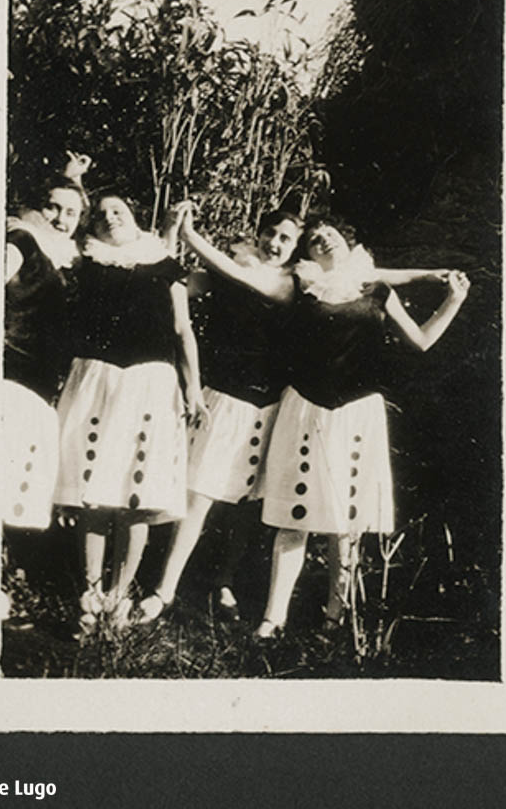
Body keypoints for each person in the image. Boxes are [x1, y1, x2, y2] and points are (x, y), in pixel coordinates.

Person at [168, 206, 469, 637]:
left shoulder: (375, 288)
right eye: (314, 238)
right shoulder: (298, 287)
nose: (323, 239)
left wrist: (447, 293)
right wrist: (190, 236)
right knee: (295, 516)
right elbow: (238, 275)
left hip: (357, 414)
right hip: (305, 408)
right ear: (306, 253)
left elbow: (420, 340)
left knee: (345, 523)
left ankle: (335, 618)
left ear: (348, 241)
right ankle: (273, 618)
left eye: (330, 233)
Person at [134, 208, 305, 625]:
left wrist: (194, 236)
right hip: (225, 398)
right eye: (270, 233)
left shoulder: (292, 284)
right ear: (258, 233)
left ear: (295, 248)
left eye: (286, 238)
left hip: (272, 405)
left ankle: (223, 580)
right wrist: (172, 237)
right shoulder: (229, 272)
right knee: (199, 498)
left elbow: (247, 279)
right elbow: (170, 288)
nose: (275, 243)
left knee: (246, 504)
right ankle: (164, 589)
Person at [53, 194, 208, 632]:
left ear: (137, 218)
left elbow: (183, 330)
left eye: (118, 210)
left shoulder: (164, 264)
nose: (109, 217)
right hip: (97, 380)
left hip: (151, 384)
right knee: (95, 493)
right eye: (100, 214)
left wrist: (192, 388)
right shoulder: (87, 262)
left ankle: (119, 596)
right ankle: (90, 594)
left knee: (137, 499)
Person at [1, 173, 86, 621]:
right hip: (10, 373)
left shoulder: (66, 259)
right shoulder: (23, 240)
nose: (62, 218)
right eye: (53, 207)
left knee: (19, 481)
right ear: (37, 208)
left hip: (41, 383)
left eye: (72, 212)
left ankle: (9, 577)